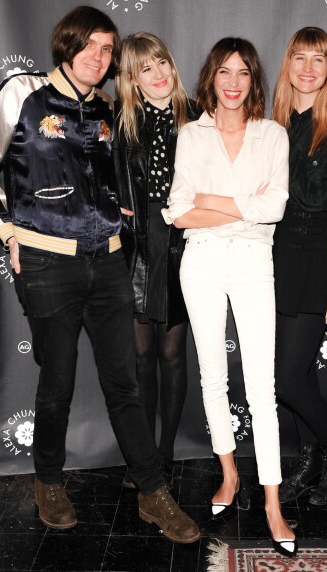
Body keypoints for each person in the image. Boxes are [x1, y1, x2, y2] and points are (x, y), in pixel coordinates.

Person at [0, 6, 200, 544]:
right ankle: (48, 481)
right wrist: (9, 231)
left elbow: (113, 175)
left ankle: (151, 490)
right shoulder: (23, 92)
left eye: (107, 49)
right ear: (68, 45)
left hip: (110, 261)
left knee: (124, 382)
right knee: (58, 382)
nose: (100, 58)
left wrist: (119, 206)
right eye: (91, 46)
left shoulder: (107, 109)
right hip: (48, 262)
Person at [162, 37, 297, 557]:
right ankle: (228, 474)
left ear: (253, 79)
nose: (234, 82)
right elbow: (178, 210)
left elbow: (277, 206)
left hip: (251, 263)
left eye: (243, 72)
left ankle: (273, 503)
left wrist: (214, 202)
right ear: (210, 79)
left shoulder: (272, 134)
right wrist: (243, 207)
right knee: (213, 376)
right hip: (201, 262)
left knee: (262, 388)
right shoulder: (190, 136)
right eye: (224, 72)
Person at [271, 27, 327, 506]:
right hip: (275, 255)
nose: (308, 68)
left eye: (319, 60)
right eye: (299, 58)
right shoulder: (273, 125)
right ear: (287, 66)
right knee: (298, 374)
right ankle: (307, 459)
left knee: (285, 379)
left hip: (318, 257)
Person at [112, 32, 198, 489]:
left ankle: (165, 453)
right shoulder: (121, 123)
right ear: (132, 78)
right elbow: (94, 180)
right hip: (136, 249)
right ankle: (143, 458)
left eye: (162, 62)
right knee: (140, 356)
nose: (159, 74)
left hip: (184, 246)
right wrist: (114, 205)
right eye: (146, 68)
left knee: (172, 354)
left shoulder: (198, 116)